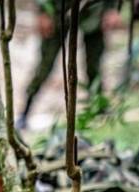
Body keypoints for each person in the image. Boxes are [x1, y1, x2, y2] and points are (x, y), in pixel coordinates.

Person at [19, 0, 121, 128]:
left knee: (94, 66)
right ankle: (25, 111)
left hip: (94, 9)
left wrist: (112, 8)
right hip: (58, 9)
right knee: (45, 66)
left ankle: (99, 109)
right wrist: (43, 12)